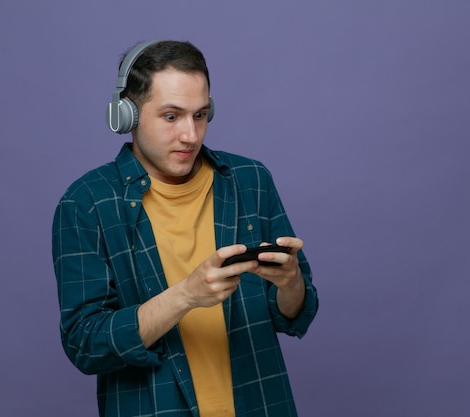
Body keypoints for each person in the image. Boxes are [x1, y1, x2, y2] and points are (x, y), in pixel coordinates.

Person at [52, 39, 319, 417]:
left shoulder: (250, 180)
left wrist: (291, 283)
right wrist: (186, 296)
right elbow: (85, 344)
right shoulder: (86, 203)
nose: (190, 135)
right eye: (171, 116)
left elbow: (295, 312)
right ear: (125, 115)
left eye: (200, 115)